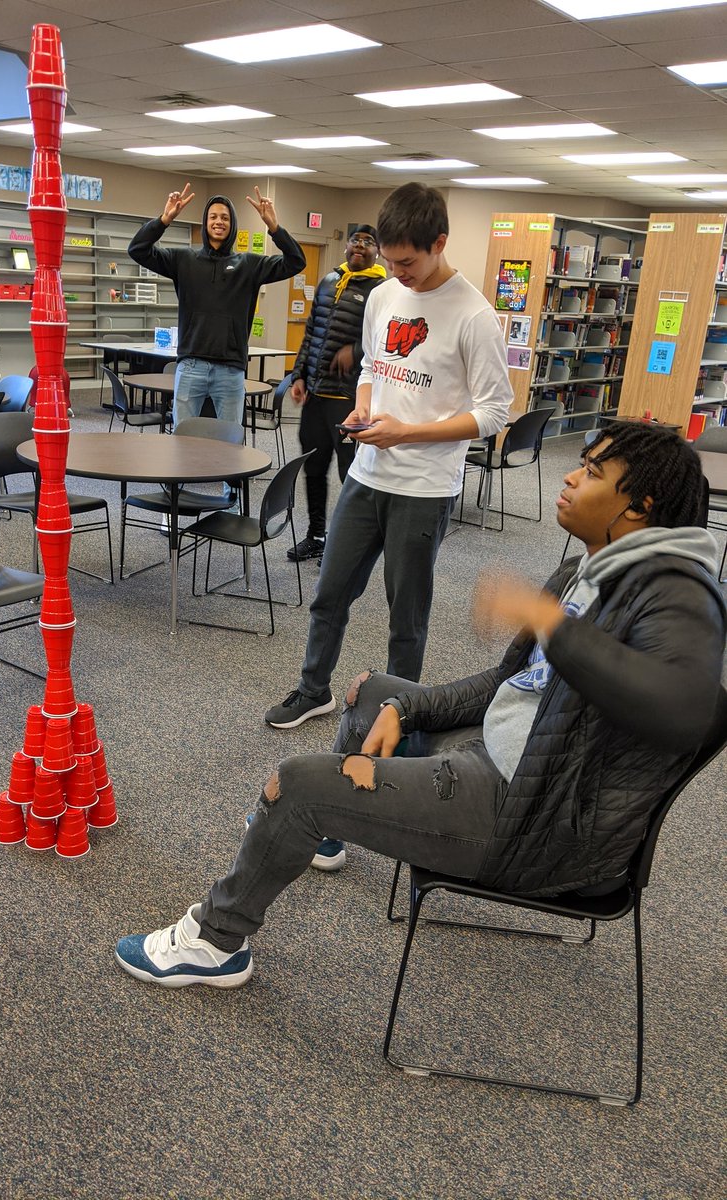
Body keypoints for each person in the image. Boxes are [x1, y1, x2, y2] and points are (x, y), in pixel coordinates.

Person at [114, 422, 725, 989]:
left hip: (534, 821)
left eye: (592, 472)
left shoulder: (676, 593)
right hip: (516, 757)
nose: (570, 477)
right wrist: (408, 710)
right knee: (371, 692)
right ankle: (316, 836)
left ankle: (216, 943)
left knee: (294, 784)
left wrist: (551, 625)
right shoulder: (587, 568)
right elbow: (507, 682)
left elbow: (685, 711)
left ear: (640, 507)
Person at [264, 183, 513, 749]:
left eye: (408, 262)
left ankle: (401, 716)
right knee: (329, 595)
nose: (398, 272)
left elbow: (495, 412)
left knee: (407, 618)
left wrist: (411, 433)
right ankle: (313, 689)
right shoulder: (382, 297)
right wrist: (365, 404)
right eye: (389, 260)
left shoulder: (474, 315)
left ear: (439, 243)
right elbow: (374, 365)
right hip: (366, 474)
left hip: (424, 487)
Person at [129, 184, 305, 431]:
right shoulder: (183, 260)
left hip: (230, 370)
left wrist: (274, 228)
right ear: (205, 222)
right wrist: (164, 220)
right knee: (182, 439)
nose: (219, 222)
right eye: (213, 217)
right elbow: (137, 250)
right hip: (191, 366)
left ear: (232, 224)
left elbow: (296, 262)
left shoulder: (249, 265)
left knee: (230, 443)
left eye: (225, 217)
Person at [286, 225, 387, 564]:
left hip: (349, 399)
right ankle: (316, 535)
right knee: (314, 469)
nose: (360, 246)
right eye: (356, 240)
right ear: (346, 246)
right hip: (316, 396)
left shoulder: (382, 290)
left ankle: (346, 544)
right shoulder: (330, 281)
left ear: (378, 251)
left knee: (350, 474)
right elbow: (311, 332)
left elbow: (385, 340)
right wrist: (299, 375)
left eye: (368, 242)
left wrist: (355, 351)